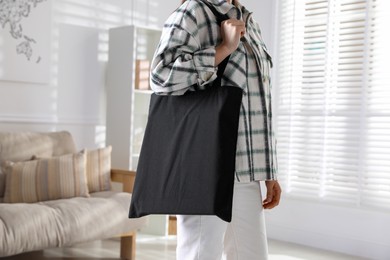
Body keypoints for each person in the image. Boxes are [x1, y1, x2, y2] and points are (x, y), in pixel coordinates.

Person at [149, 0, 282, 259]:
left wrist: (268, 170)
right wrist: (223, 48)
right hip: (205, 165)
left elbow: (258, 102)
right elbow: (159, 76)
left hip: (246, 170)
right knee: (200, 253)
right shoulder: (193, 12)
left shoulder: (249, 20)